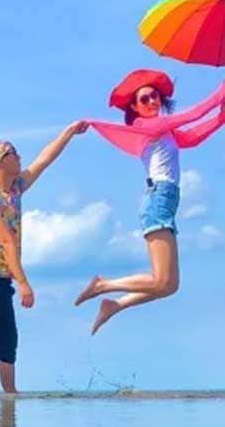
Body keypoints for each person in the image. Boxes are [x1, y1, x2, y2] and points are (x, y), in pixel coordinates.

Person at [77, 73, 225, 334]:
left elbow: (195, 135)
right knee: (161, 279)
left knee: (169, 285)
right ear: (135, 107)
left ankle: (114, 305)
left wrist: (221, 115)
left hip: (165, 202)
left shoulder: (165, 131)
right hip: (158, 200)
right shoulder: (148, 126)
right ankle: (103, 285)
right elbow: (194, 114)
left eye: (154, 95)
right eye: (143, 99)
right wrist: (221, 91)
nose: (151, 101)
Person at [0, 123, 87, 392]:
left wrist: (68, 133)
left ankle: (11, 392)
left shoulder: (16, 188)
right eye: (13, 152)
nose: (20, 156)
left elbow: (44, 160)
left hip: (3, 278)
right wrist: (24, 283)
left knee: (8, 338)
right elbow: (7, 242)